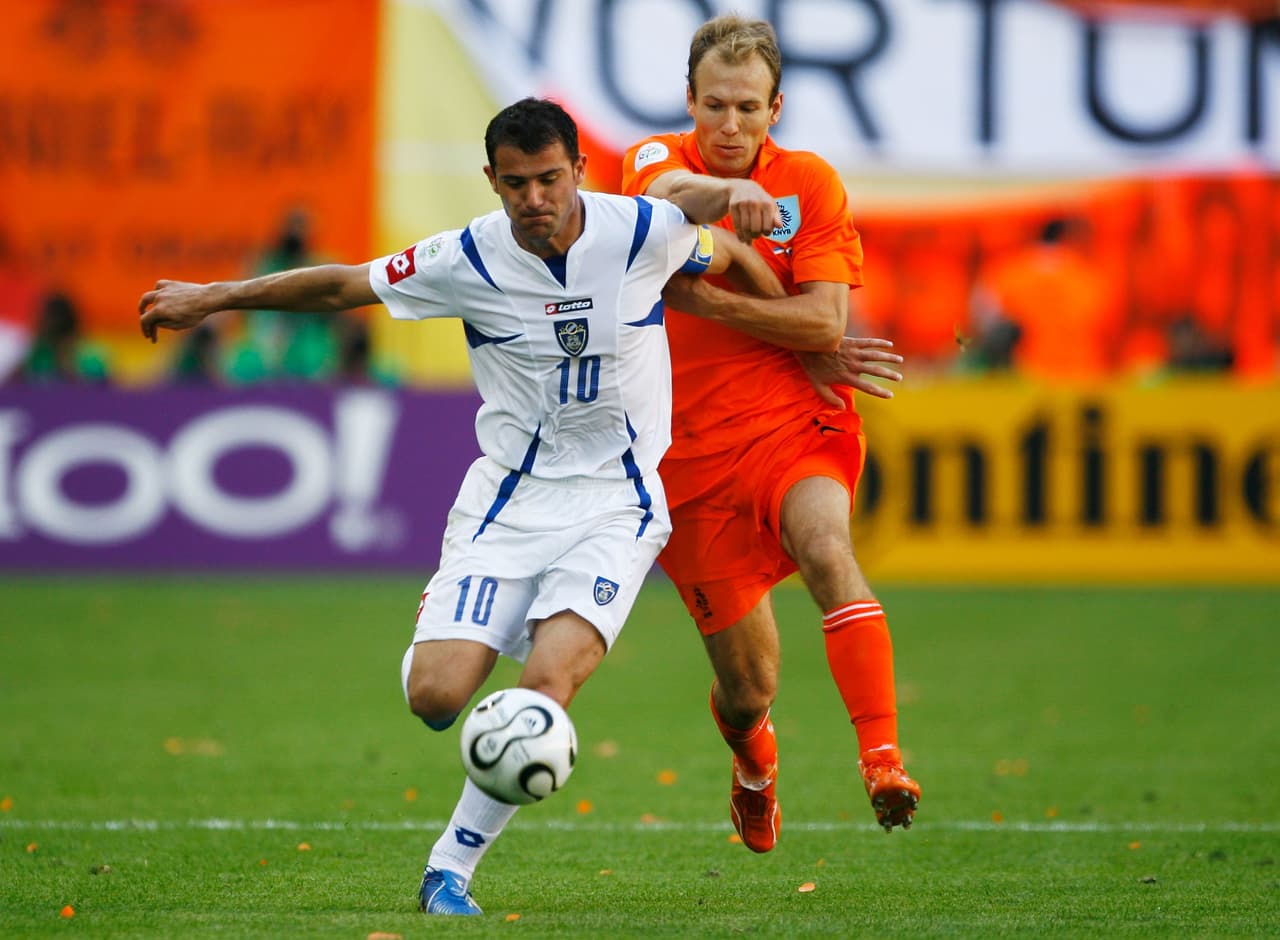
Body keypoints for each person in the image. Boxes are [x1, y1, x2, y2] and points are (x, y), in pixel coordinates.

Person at [139, 97, 800, 916]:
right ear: (491, 180)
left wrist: (803, 338)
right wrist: (214, 296)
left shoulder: (638, 231)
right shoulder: (467, 259)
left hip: (617, 503)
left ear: (579, 172)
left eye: (550, 179)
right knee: (437, 698)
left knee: (547, 685)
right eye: (517, 183)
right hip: (507, 505)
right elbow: (346, 285)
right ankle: (460, 632)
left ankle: (449, 869)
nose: (535, 199)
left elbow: (717, 239)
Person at [621, 14, 919, 850]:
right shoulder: (652, 156)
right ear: (689, 100)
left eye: (748, 108)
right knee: (750, 688)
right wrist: (727, 201)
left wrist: (711, 301)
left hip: (795, 418)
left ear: (775, 106)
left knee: (829, 546)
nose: (730, 126)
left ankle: (883, 759)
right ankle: (755, 765)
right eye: (714, 105)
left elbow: (826, 323)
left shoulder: (813, 183)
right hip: (686, 455)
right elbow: (656, 203)